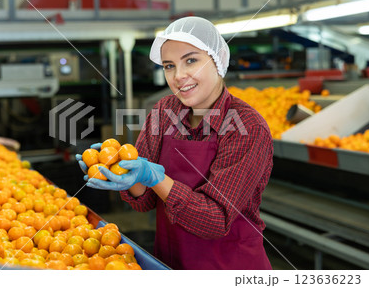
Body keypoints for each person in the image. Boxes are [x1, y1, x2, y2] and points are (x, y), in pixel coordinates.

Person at [76, 16, 273, 270]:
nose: (179, 76)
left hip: (229, 266)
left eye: (191, 60)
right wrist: (123, 173)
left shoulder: (247, 126)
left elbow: (215, 220)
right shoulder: (164, 110)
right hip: (171, 262)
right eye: (169, 66)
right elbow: (144, 201)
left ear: (217, 60)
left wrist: (156, 178)